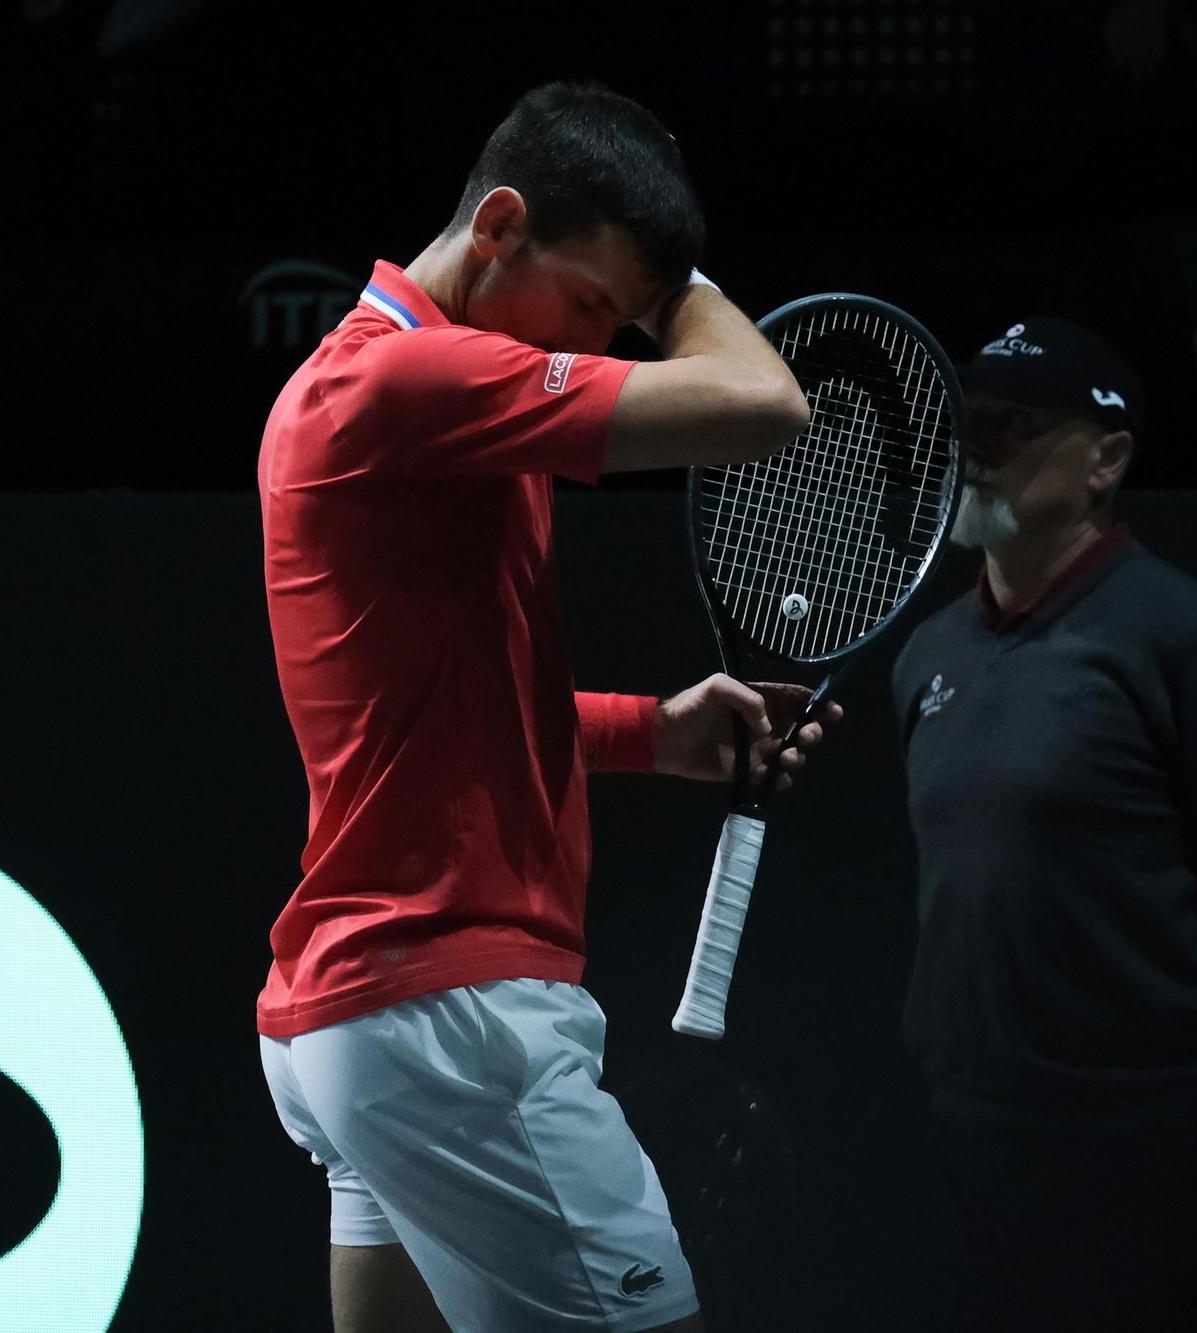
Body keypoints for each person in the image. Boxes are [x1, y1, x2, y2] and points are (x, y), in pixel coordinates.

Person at [254, 82, 834, 1333]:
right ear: (500, 224)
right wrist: (680, 290)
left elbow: (433, 714)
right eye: (591, 308)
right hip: (450, 1016)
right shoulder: (405, 381)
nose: (606, 345)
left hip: (358, 1020)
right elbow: (765, 405)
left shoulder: (390, 401)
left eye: (622, 327)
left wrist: (653, 732)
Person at [889, 318, 1197, 1330]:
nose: (975, 448)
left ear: (1104, 460)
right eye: (965, 421)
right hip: (969, 1145)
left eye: (1011, 425)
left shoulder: (1184, 639)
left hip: (1146, 1152)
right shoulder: (926, 655)